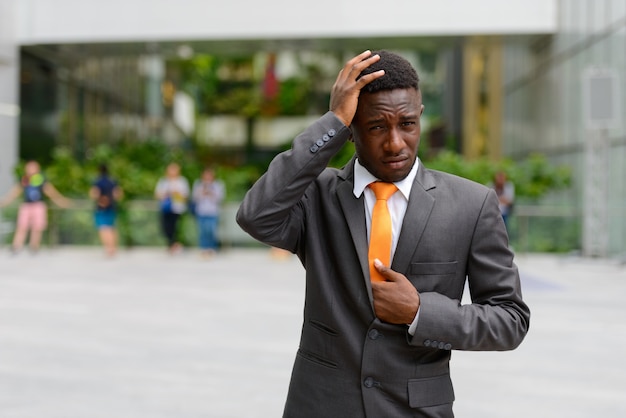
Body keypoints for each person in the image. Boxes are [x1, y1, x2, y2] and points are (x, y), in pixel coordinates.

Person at [236, 50, 530, 417]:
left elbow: (510, 320)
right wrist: (332, 122)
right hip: (321, 405)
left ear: (420, 117)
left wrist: (421, 312)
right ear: (352, 128)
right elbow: (256, 215)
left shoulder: (471, 205)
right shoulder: (316, 195)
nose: (395, 143)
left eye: (407, 124)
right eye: (376, 127)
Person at [0, 160, 71, 254]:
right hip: (26, 205)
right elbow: (15, 192)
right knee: (22, 225)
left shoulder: (41, 179)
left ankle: (34, 246)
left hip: (38, 205)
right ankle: (16, 246)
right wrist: (5, 201)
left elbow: (50, 191)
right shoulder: (24, 179)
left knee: (37, 227)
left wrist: (60, 200)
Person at [154, 162, 189, 253]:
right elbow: (157, 194)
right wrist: (165, 194)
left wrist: (176, 193)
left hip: (177, 208)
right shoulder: (163, 181)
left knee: (175, 227)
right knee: (165, 227)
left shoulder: (182, 181)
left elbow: (185, 196)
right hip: (166, 207)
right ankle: (172, 244)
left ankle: (174, 244)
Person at [89, 163, 123, 257]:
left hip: (101, 208)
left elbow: (94, 193)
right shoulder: (113, 181)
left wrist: (100, 199)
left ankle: (108, 248)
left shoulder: (97, 181)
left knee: (103, 228)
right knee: (111, 227)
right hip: (112, 207)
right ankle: (113, 248)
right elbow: (118, 194)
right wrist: (111, 199)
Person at [191, 167, 225, 258]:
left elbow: (220, 198)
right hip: (201, 211)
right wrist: (202, 191)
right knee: (202, 231)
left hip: (213, 212)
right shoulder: (198, 184)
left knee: (211, 230)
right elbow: (194, 197)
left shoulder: (218, 185)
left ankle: (212, 248)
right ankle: (203, 248)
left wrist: (210, 193)